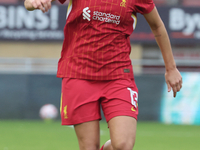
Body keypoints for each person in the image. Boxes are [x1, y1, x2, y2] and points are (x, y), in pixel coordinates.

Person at [24, 0, 182, 150]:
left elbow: (158, 26)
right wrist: (34, 2)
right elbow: (28, 4)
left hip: (119, 76)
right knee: (89, 146)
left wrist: (171, 68)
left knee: (123, 144)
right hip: (78, 74)